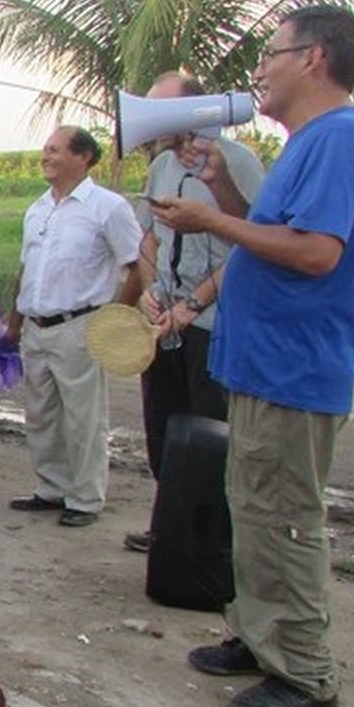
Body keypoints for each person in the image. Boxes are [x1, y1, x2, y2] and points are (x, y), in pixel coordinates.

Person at [155, 5, 354, 707]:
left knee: (285, 518)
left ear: (314, 58)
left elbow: (318, 253)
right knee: (253, 510)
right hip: (264, 362)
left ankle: (305, 671)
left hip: (295, 366)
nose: (261, 67)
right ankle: (259, 637)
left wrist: (211, 220)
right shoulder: (311, 141)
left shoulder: (343, 139)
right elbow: (272, 232)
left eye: (272, 51)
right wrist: (224, 189)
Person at [124, 73, 265, 553]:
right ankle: (170, 525)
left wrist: (193, 304)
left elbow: (247, 245)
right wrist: (147, 291)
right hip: (164, 320)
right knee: (163, 427)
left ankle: (206, 538)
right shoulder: (162, 165)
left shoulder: (239, 164)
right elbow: (150, 238)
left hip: (209, 325)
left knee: (208, 432)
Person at [3, 127, 143, 526]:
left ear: (83, 157)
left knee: (84, 417)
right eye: (45, 149)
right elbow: (27, 270)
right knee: (41, 413)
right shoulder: (37, 209)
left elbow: (137, 267)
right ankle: (51, 488)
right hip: (37, 326)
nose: (45, 156)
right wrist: (14, 324)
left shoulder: (108, 208)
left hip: (80, 325)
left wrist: (116, 320)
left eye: (54, 150)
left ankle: (85, 498)